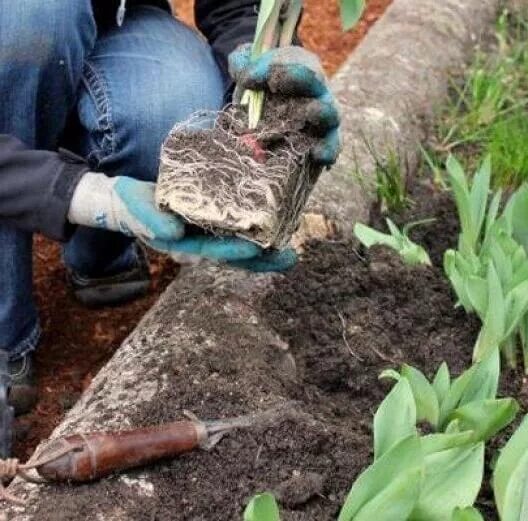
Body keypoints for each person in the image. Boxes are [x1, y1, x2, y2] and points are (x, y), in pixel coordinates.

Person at [0, 0, 340, 415]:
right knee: (33, 16)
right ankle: (5, 335)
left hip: (119, 20)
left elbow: (236, 8)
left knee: (171, 117)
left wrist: (267, 70)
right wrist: (93, 198)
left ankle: (100, 253)